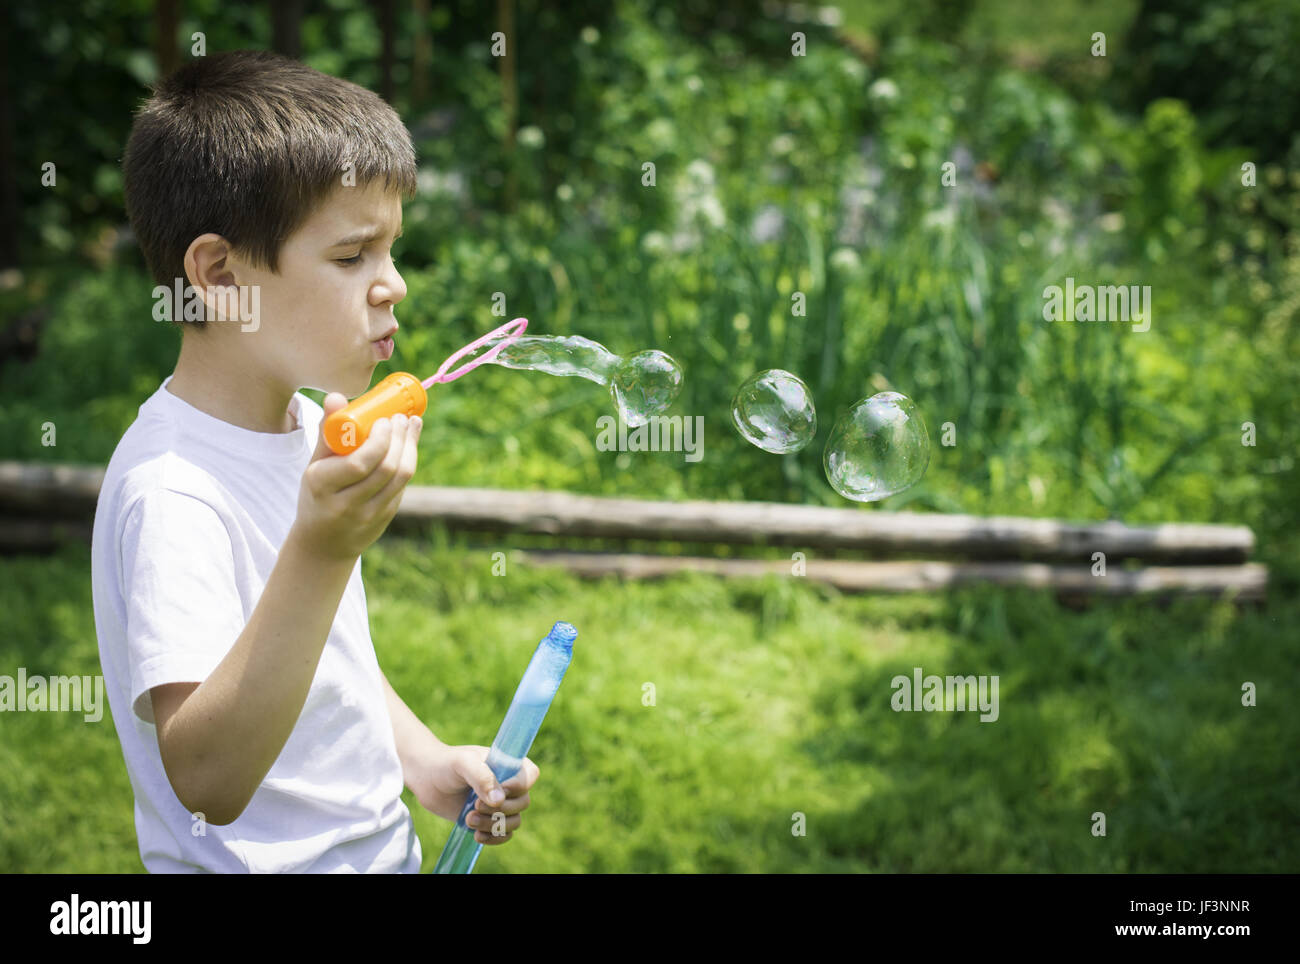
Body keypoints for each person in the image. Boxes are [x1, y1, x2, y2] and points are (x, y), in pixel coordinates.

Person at [90, 49, 537, 872]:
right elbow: (208, 777)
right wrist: (322, 549)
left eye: (391, 250)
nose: (393, 285)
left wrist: (423, 759)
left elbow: (329, 660)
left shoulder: (304, 425)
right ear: (221, 276)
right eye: (351, 256)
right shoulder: (173, 491)